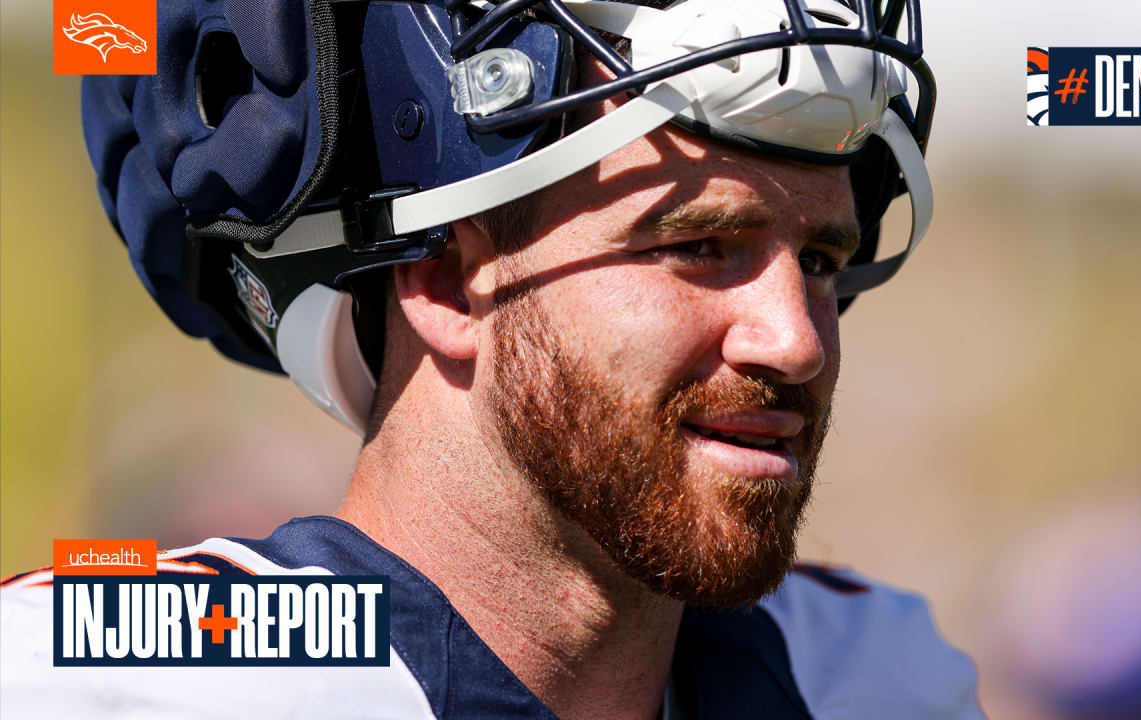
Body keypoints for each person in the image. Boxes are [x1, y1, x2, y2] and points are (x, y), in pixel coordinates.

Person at [2, 0, 983, 717]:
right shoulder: (114, 683)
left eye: (818, 260)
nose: (798, 337)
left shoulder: (872, 672)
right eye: (696, 247)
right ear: (442, 281)